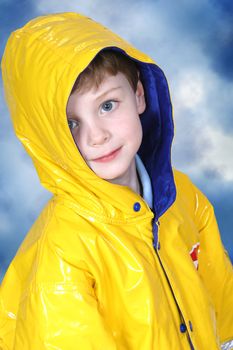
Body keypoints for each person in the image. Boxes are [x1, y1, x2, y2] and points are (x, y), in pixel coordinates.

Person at [0, 12, 232, 350]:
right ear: (51, 139)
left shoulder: (183, 197)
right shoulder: (65, 248)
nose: (97, 136)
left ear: (139, 95)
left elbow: (221, 300)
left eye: (107, 105)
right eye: (72, 124)